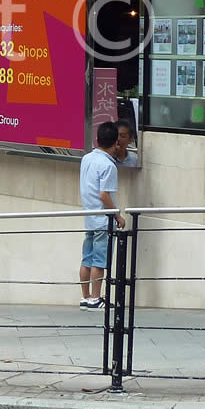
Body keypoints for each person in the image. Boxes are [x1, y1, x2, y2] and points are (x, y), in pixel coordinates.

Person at [79, 121, 125, 310]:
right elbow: (104, 195)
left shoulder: (87, 159)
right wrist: (117, 216)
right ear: (116, 143)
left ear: (97, 139)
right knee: (100, 260)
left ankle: (86, 297)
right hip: (102, 220)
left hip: (89, 217)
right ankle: (96, 298)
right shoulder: (109, 166)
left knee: (87, 258)